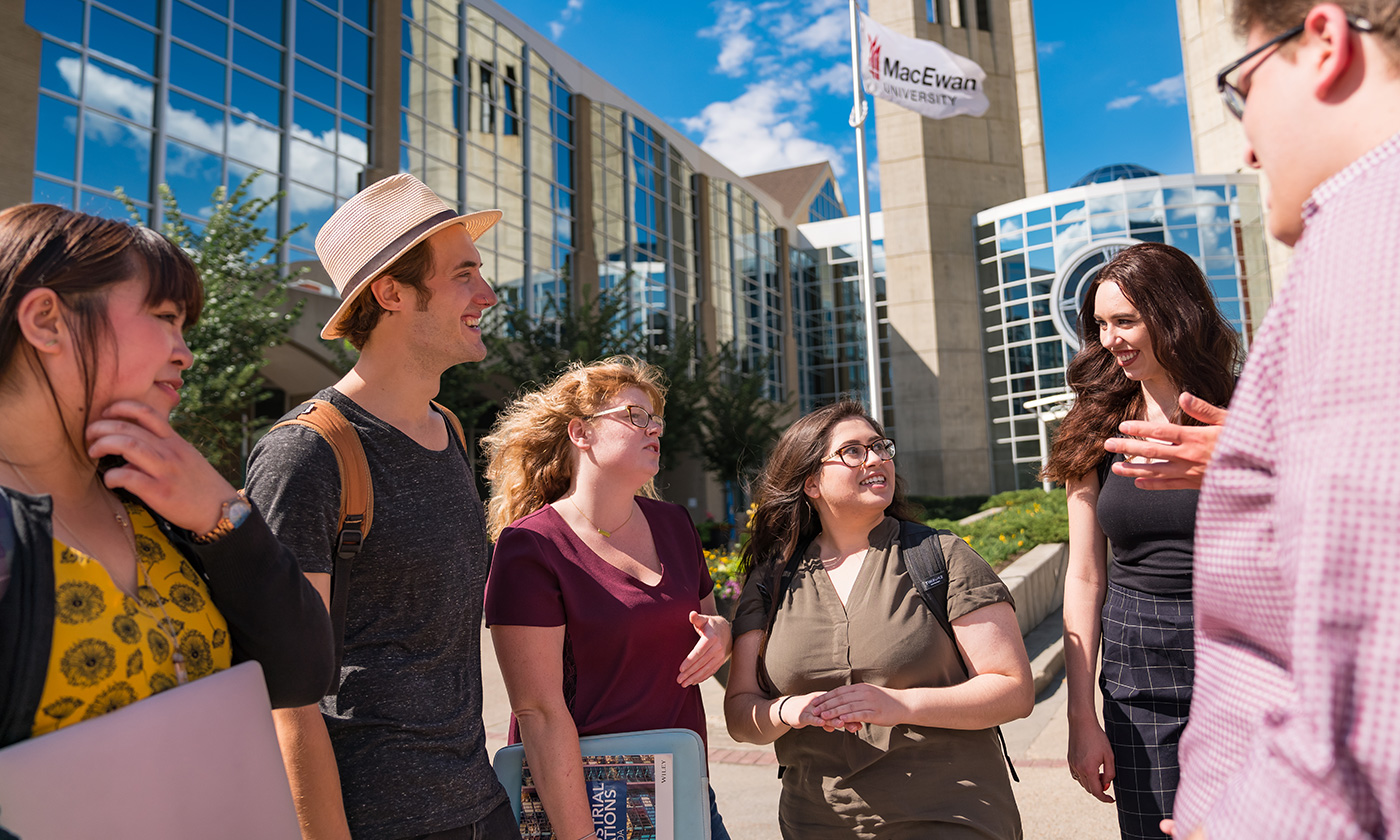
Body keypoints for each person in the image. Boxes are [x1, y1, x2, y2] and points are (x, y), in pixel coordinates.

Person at [1103, 2, 1400, 837]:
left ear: (1324, 42)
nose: (1247, 141)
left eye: (1240, 90)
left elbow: (1372, 679)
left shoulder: (1366, 252)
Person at [244, 174, 519, 839]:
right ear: (392, 293)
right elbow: (283, 692)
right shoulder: (307, 455)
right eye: (463, 274)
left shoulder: (449, 429)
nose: (486, 294)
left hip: (477, 802)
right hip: (377, 822)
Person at [0, 204, 333, 746]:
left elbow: (300, 675)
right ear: (45, 320)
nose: (187, 355)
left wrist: (224, 518)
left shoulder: (158, 501)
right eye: (164, 317)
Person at [724, 400, 1033, 839]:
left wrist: (902, 705)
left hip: (949, 814)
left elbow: (1013, 690)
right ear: (811, 482)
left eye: (880, 447)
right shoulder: (771, 581)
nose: (877, 459)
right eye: (854, 451)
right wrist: (786, 710)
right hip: (815, 822)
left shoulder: (942, 556)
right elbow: (740, 714)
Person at [482, 356, 733, 840]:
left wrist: (720, 634)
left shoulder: (675, 523)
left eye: (655, 418)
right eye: (633, 415)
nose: (653, 427)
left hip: (683, 788)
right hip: (586, 801)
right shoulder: (531, 546)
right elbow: (538, 711)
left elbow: (709, 620)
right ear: (581, 432)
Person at [1041, 243, 1239, 839]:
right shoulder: (1094, 423)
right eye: (1100, 325)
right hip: (1140, 674)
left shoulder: (1248, 407)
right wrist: (1082, 715)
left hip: (1246, 655)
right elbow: (1084, 575)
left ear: (1176, 314)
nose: (1109, 340)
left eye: (1124, 321)